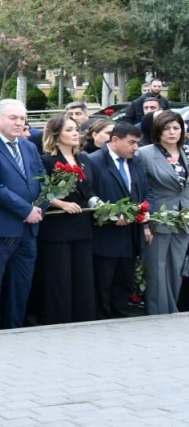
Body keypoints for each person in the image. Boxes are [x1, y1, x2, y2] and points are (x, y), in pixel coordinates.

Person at [0, 99, 47, 332]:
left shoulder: (29, 146)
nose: (19, 123)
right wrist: (26, 210)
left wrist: (39, 206)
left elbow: (43, 180)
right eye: (13, 118)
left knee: (21, 283)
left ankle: (15, 328)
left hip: (28, 228)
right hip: (0, 229)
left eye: (22, 118)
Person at [36, 114, 96, 325]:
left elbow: (89, 190)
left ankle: (84, 319)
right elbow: (40, 191)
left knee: (83, 275)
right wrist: (60, 203)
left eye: (76, 129)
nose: (75, 134)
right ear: (56, 135)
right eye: (69, 130)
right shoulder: (46, 161)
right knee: (59, 277)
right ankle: (59, 320)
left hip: (82, 223)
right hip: (58, 224)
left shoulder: (85, 159)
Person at [88, 122, 147, 319]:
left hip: (130, 233)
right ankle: (102, 319)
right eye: (131, 142)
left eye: (137, 143)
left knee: (124, 280)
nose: (135, 147)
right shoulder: (94, 161)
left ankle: (120, 316)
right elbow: (89, 193)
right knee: (103, 281)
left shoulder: (135, 162)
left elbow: (143, 192)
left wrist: (143, 216)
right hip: (105, 234)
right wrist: (110, 213)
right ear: (114, 140)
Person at [134, 110, 189, 315]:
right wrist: (145, 222)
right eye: (167, 128)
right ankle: (157, 312)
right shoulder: (145, 153)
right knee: (156, 268)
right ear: (158, 131)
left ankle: (171, 309)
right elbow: (140, 188)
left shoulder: (186, 151)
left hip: (184, 218)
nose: (172, 132)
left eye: (176, 128)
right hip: (157, 216)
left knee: (175, 267)